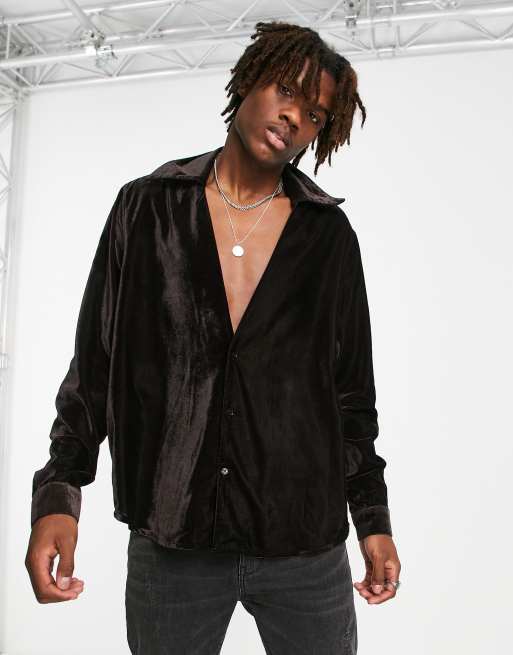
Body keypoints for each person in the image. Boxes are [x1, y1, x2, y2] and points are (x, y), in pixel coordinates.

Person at [25, 20, 401, 655]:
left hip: (302, 543)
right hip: (173, 539)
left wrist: (372, 517)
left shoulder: (328, 237)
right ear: (250, 78)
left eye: (314, 114)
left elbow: (349, 396)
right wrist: (59, 496)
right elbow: (94, 367)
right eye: (286, 90)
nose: (294, 117)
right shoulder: (146, 209)